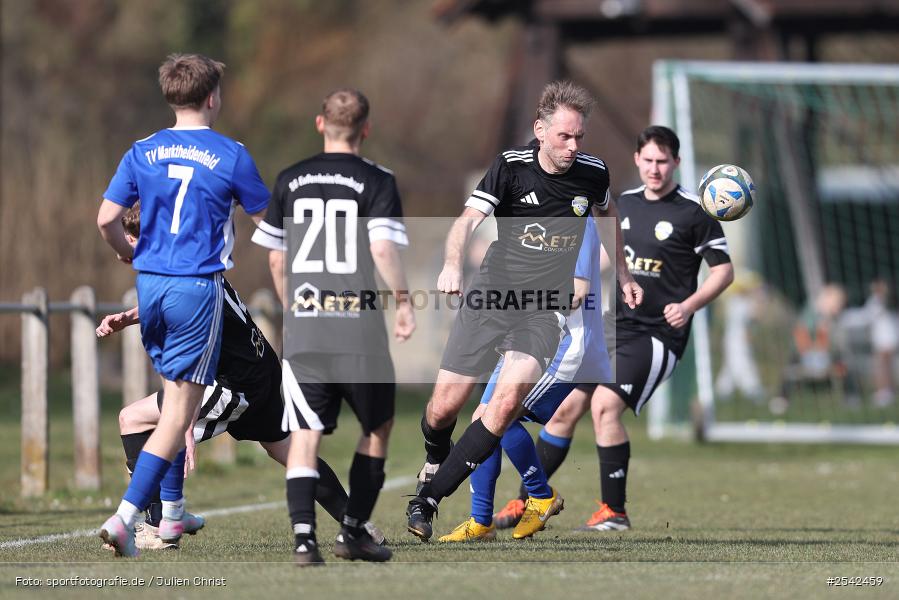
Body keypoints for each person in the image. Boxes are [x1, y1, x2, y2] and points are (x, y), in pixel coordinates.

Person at [405, 80, 641, 542]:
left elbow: (607, 217)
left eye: (579, 138)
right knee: (444, 407)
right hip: (493, 295)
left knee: (505, 404)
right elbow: (468, 220)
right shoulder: (510, 167)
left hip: (542, 310)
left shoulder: (593, 173)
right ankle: (436, 454)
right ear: (540, 130)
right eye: (563, 137)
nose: (573, 147)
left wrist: (626, 275)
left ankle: (427, 499)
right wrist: (453, 263)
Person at [97, 203, 385, 550]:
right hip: (259, 369)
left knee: (135, 420)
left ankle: (159, 527)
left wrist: (183, 422)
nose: (122, 254)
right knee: (290, 451)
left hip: (235, 383)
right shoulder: (190, 260)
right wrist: (130, 316)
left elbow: (199, 344)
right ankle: (358, 524)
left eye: (129, 245)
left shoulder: (181, 276)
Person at [493, 125, 734, 532]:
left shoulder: (695, 211)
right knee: (564, 408)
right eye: (648, 160)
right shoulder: (623, 203)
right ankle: (528, 501)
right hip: (612, 326)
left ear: (675, 162)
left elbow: (724, 272)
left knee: (604, 406)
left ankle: (614, 512)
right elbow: (605, 259)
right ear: (637, 160)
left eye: (663, 161)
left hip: (657, 335)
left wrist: (690, 305)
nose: (655, 169)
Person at [96, 53, 270, 557]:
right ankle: (127, 516)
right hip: (197, 288)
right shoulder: (231, 154)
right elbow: (269, 225)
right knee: (177, 415)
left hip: (149, 286)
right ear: (213, 96)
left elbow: (107, 218)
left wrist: (133, 256)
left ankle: (170, 515)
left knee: (171, 399)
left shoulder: (141, 150)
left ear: (170, 95)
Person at [252, 89, 415, 565]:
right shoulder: (378, 179)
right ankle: (353, 532)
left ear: (319, 123)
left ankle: (305, 540)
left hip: (307, 332)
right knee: (379, 427)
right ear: (366, 129)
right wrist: (404, 302)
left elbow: (277, 258)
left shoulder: (290, 178)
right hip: (357, 329)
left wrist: (293, 311)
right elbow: (383, 250)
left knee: (305, 434)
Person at [439, 214, 612, 542]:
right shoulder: (533, 213)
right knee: (483, 418)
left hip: (564, 346)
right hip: (528, 340)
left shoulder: (579, 221)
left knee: (498, 417)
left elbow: (578, 291)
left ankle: (540, 495)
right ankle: (481, 522)